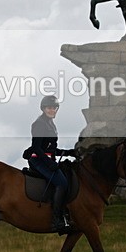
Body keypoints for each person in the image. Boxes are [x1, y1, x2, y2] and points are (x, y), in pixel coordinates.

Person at [24, 95, 76, 233]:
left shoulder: (50, 123)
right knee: (62, 183)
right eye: (49, 108)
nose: (52, 110)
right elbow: (36, 148)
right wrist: (49, 163)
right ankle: (56, 220)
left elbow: (50, 149)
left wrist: (68, 152)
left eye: (54, 108)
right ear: (43, 108)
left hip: (46, 159)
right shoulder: (39, 123)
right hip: (37, 160)